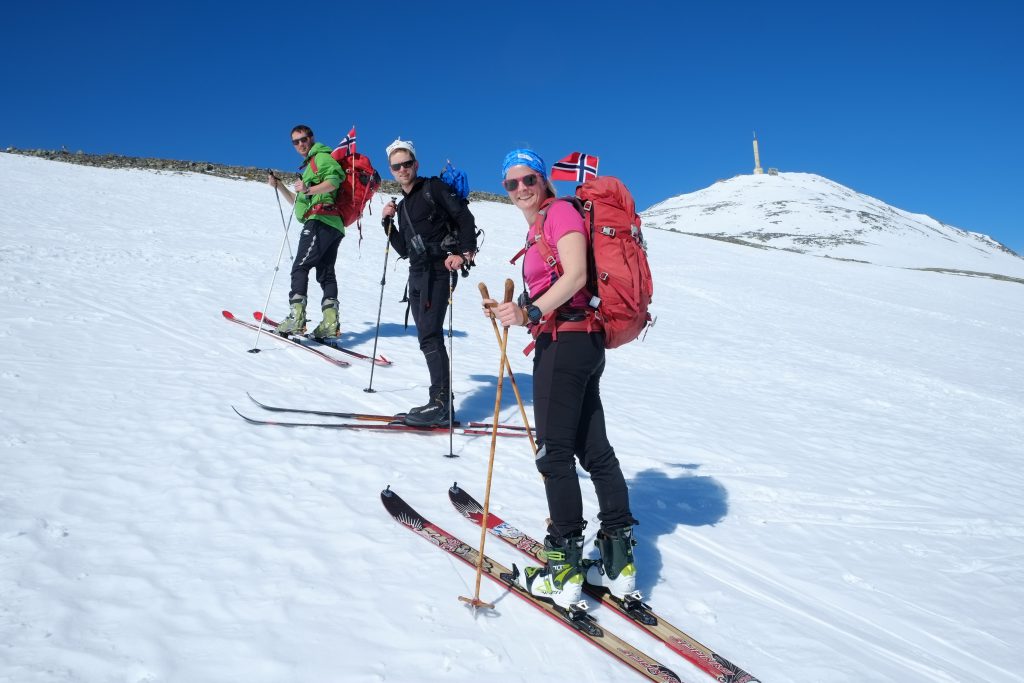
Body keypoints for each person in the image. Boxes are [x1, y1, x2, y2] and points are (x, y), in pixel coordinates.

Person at [488, 149, 638, 611]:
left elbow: (575, 276)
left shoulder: (561, 213)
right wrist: (516, 311)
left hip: (568, 345)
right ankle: (618, 565)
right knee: (594, 451)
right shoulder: (541, 226)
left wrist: (531, 310)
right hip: (577, 344)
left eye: (527, 178)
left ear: (543, 179)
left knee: (553, 455)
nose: (520, 189)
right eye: (510, 184)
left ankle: (564, 569)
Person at [380, 138, 478, 427]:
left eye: (407, 164)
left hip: (439, 269)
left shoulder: (432, 188)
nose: (402, 169)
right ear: (391, 170)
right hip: (417, 273)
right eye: (396, 166)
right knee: (427, 336)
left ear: (415, 164)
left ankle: (441, 403)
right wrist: (387, 224)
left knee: (430, 335)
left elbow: (464, 216)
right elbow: (405, 250)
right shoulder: (405, 204)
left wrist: (463, 252)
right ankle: (439, 401)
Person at [267, 125, 346, 339]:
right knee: (326, 273)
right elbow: (299, 206)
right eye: (296, 141)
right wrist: (280, 186)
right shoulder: (309, 168)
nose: (301, 144)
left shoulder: (320, 158)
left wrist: (309, 189)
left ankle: (296, 319)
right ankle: (330, 323)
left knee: (300, 266)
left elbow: (335, 180)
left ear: (312, 138)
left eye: (304, 139)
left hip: (320, 221)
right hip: (332, 224)